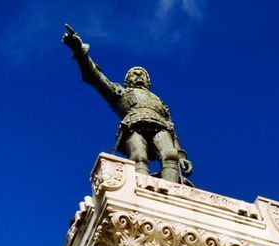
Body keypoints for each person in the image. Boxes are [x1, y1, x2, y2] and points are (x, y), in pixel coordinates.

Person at [61, 25, 189, 183]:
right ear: (128, 81)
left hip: (160, 125)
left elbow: (171, 128)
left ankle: (173, 190)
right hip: (132, 125)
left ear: (148, 81)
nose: (138, 76)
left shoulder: (159, 101)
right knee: (139, 157)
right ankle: (143, 188)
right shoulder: (120, 92)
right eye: (134, 74)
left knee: (170, 155)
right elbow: (94, 76)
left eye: (142, 74)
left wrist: (181, 155)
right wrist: (81, 53)